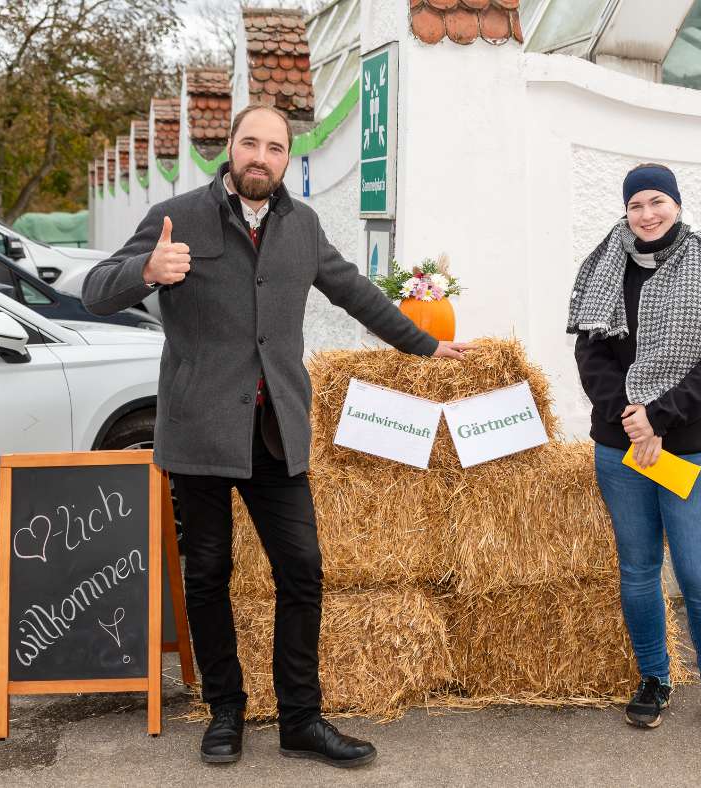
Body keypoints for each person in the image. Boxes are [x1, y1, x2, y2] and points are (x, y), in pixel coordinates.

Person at [83, 104, 471, 767]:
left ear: (289, 159)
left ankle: (300, 719)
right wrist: (147, 270)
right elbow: (94, 290)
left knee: (303, 572)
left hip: (274, 433)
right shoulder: (179, 217)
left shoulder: (303, 225)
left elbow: (354, 291)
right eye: (249, 143)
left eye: (275, 147)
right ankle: (225, 712)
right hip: (201, 433)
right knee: (207, 576)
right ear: (228, 149)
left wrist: (424, 344)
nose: (260, 156)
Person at [567, 163, 701, 741]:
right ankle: (654, 677)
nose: (646, 214)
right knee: (639, 572)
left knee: (700, 577)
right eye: (635, 205)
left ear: (675, 203)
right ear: (625, 212)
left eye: (656, 202)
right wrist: (631, 418)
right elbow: (591, 357)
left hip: (690, 448)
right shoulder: (604, 268)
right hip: (620, 446)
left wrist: (658, 417)